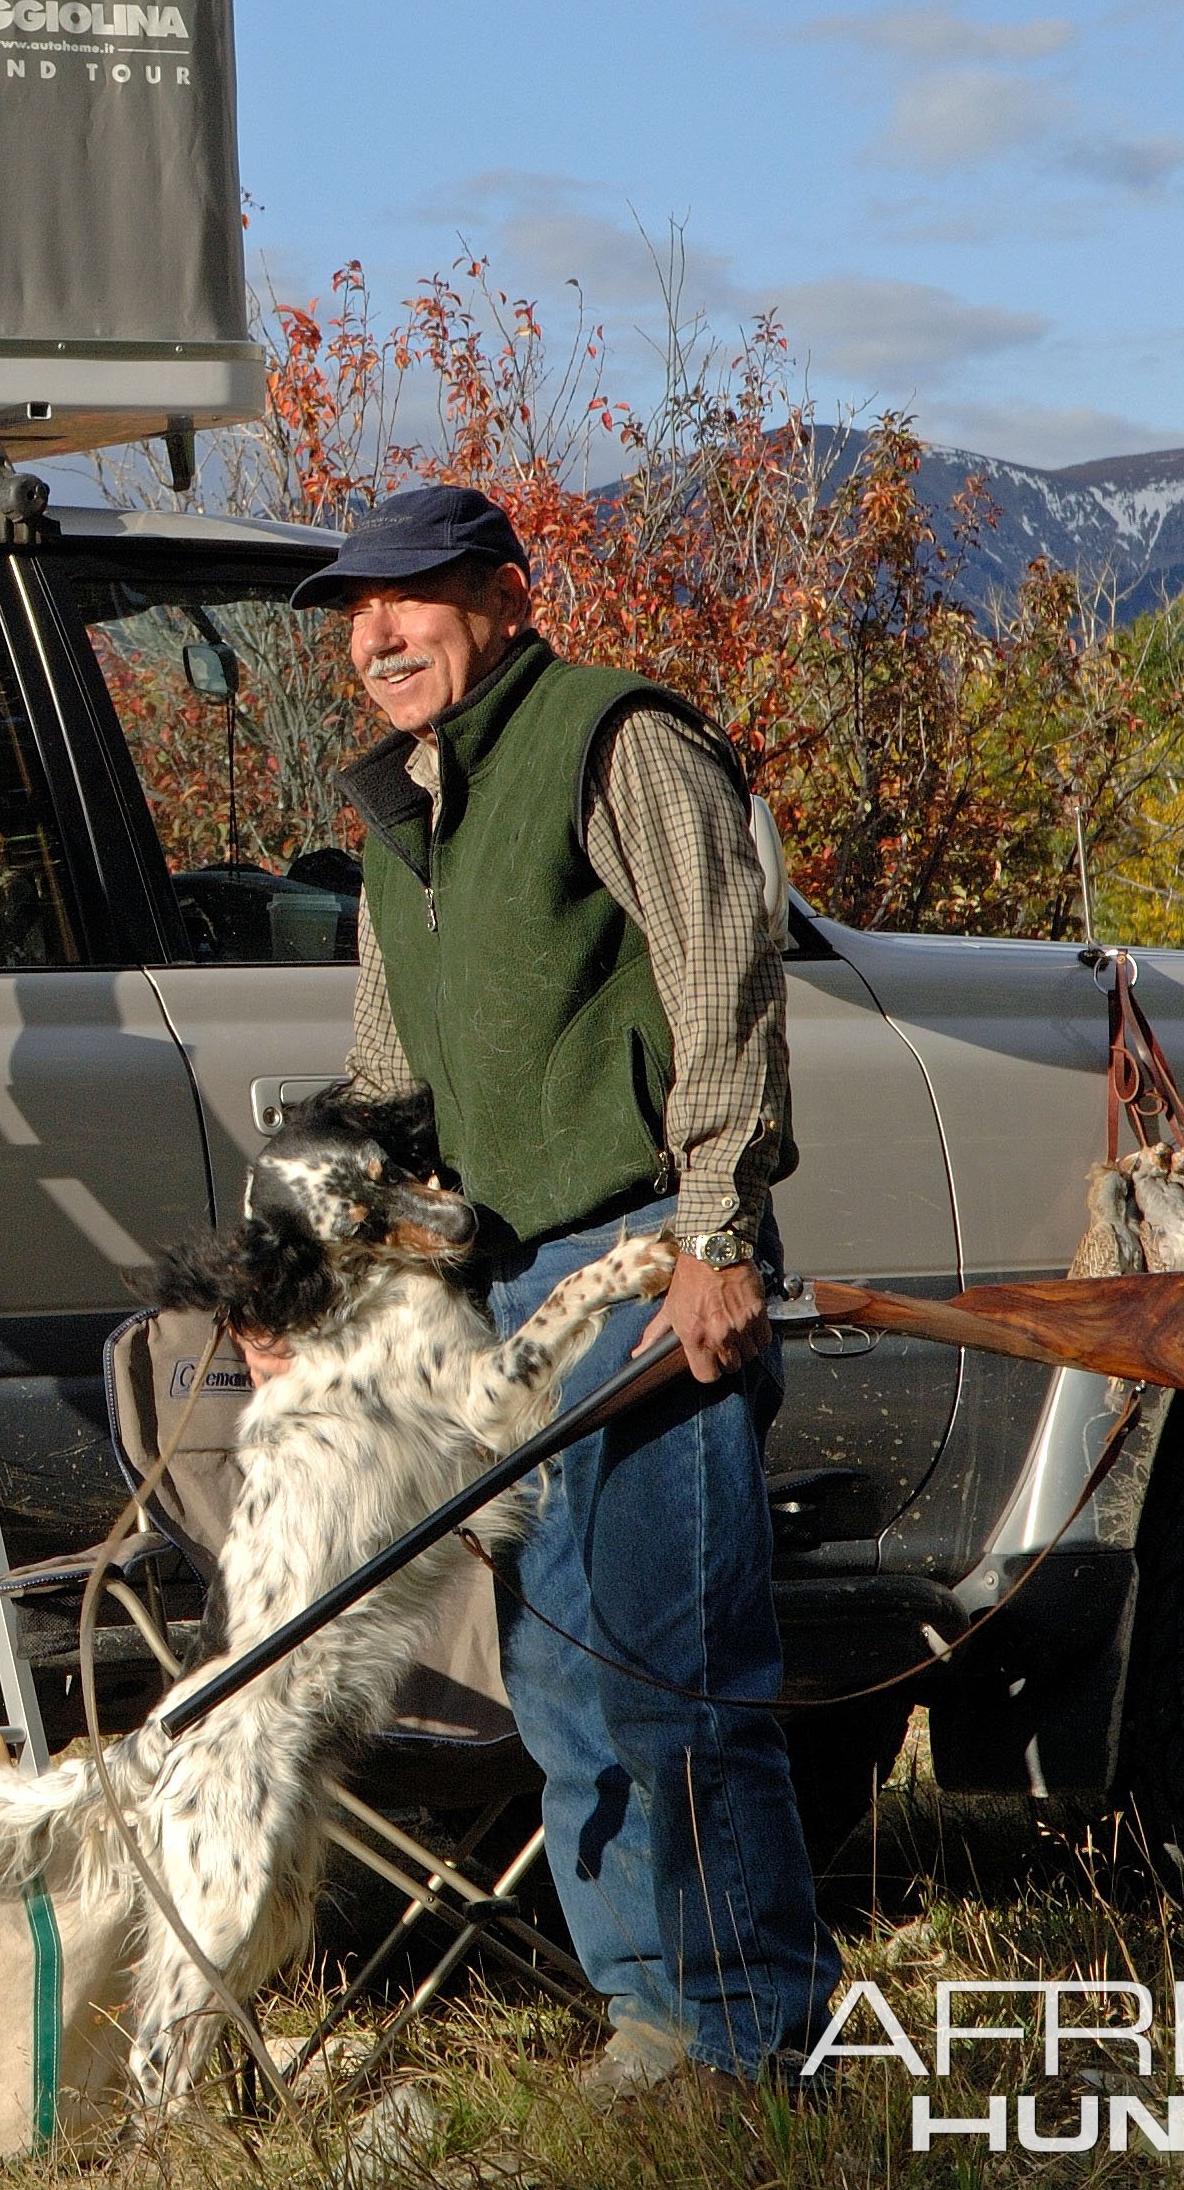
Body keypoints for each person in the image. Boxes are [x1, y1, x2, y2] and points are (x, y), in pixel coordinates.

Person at [294, 482, 834, 2095]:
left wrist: (721, 1232)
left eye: (413, 600)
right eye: (356, 614)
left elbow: (722, 972)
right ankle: (652, 2012)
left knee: (673, 1664)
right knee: (560, 1676)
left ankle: (749, 2037)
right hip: (516, 1284)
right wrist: (337, 1285)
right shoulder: (405, 808)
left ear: (507, 601)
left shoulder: (617, 740)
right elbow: (391, 1081)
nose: (378, 634)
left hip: (652, 1245)